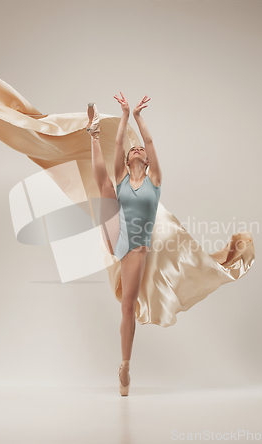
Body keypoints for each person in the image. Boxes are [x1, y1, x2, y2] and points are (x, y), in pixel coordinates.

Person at [86, 92, 162, 396]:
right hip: (115, 231)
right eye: (135, 148)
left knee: (128, 307)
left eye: (140, 149)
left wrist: (140, 118)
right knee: (104, 184)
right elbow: (117, 145)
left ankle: (125, 365)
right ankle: (92, 135)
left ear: (144, 159)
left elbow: (152, 144)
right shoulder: (120, 178)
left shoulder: (154, 182)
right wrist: (124, 115)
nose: (137, 148)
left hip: (135, 247)